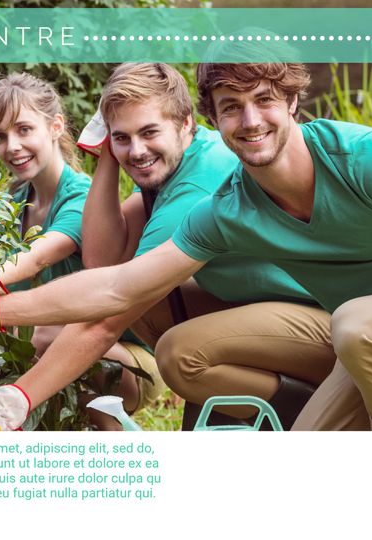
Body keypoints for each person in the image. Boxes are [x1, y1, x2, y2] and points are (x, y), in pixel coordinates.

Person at [0, 57, 372, 432]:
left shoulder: (363, 157)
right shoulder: (230, 206)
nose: (250, 120)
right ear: (211, 118)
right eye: (231, 107)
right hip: (352, 336)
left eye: (263, 101)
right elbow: (115, 283)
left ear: (291, 104)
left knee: (360, 322)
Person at [75, 63, 332, 429]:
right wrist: (107, 155)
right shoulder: (177, 162)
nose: (136, 149)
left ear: (185, 124)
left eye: (149, 131)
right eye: (122, 137)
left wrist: (21, 398)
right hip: (273, 313)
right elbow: (101, 260)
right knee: (159, 300)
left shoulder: (198, 181)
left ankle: (306, 412)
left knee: (174, 343)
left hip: (321, 323)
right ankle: (233, 408)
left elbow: (112, 304)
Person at [0, 72, 161, 429]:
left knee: (43, 335)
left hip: (125, 358)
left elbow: (37, 257)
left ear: (56, 126)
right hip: (47, 351)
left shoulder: (80, 197)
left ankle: (117, 436)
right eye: (0, 136)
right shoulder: (11, 201)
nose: (12, 145)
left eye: (24, 129)